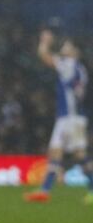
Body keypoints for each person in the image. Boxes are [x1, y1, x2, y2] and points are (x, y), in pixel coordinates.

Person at [24, 30, 90, 203]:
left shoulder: (69, 63)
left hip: (70, 118)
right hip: (72, 117)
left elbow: (44, 56)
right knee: (57, 153)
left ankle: (47, 190)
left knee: (79, 155)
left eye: (67, 45)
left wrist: (45, 41)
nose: (64, 47)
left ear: (75, 51)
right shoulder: (81, 69)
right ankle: (44, 191)